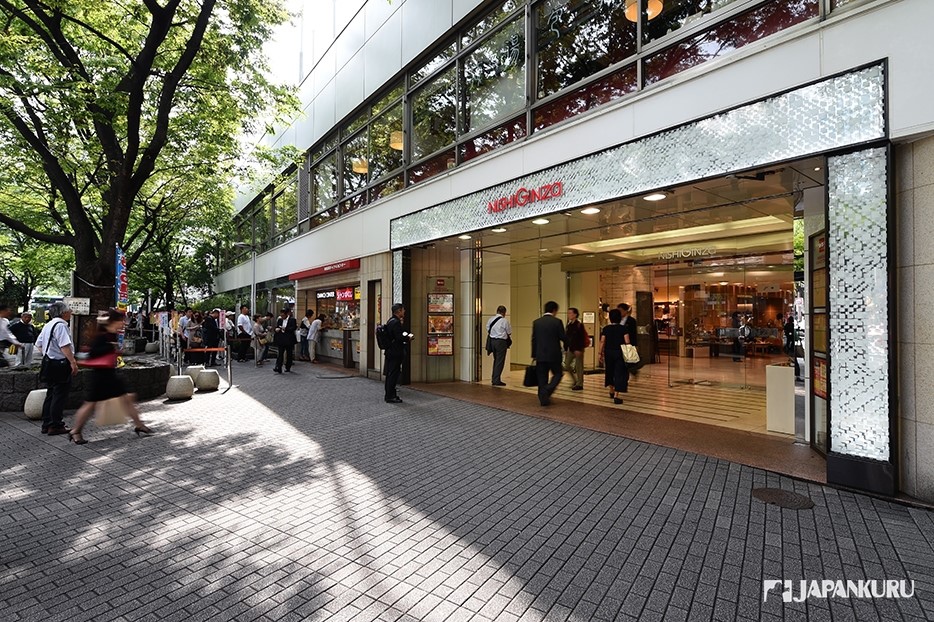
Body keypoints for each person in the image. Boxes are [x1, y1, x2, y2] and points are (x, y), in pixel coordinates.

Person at [67, 310, 154, 445]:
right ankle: (75, 431)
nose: (123, 323)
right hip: (100, 376)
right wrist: (110, 348)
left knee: (127, 398)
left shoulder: (110, 335)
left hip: (110, 374)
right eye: (121, 321)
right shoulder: (102, 336)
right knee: (90, 404)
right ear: (113, 322)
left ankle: (139, 424)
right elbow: (94, 354)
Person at [34, 301, 78, 435]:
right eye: (69, 310)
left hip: (49, 364)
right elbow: (64, 346)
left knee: (50, 394)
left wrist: (49, 354)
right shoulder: (61, 326)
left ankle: (46, 424)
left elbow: (38, 344)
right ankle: (56, 425)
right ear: (63, 312)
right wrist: (72, 362)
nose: (71, 312)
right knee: (59, 395)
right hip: (60, 364)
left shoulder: (49, 325)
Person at [531, 301, 566, 407]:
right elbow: (563, 337)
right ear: (554, 310)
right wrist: (568, 347)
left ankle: (543, 399)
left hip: (540, 355)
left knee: (542, 377)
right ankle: (548, 389)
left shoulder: (537, 322)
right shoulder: (557, 322)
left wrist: (534, 355)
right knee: (558, 374)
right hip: (554, 355)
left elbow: (534, 340)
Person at [599, 307, 634, 405]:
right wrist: (630, 353)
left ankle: (611, 390)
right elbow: (627, 342)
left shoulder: (606, 329)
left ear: (610, 318)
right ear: (619, 318)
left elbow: (602, 341)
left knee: (609, 371)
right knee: (619, 373)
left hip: (608, 352)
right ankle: (616, 395)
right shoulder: (623, 329)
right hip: (620, 352)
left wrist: (599, 353)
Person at [384, 303, 413, 403]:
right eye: (403, 310)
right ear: (399, 311)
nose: (404, 312)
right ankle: (390, 396)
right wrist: (408, 338)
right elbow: (399, 337)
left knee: (391, 373)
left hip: (390, 351)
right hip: (395, 352)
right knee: (393, 374)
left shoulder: (390, 321)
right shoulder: (395, 323)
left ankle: (390, 394)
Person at [487, 305, 512, 386]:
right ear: (504, 312)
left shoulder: (491, 319)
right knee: (500, 361)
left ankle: (494, 378)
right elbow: (509, 332)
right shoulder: (504, 321)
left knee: (496, 360)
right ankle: (496, 380)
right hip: (501, 342)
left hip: (492, 341)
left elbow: (487, 329)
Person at [564, 307, 588, 391]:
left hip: (578, 349)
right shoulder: (569, 325)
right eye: (568, 313)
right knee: (567, 365)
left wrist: (579, 349)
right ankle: (575, 380)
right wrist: (565, 349)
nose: (569, 315)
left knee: (579, 367)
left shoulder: (579, 325)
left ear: (575, 314)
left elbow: (581, 338)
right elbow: (566, 338)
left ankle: (580, 384)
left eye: (570, 313)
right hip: (571, 349)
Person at [273, 308, 296, 373]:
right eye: (281, 315)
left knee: (289, 354)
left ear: (287, 314)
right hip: (281, 339)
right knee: (280, 353)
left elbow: (293, 328)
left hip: (289, 339)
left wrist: (285, 329)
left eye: (283, 315)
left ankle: (288, 367)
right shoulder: (280, 320)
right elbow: (277, 326)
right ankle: (278, 367)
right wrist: (276, 329)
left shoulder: (292, 320)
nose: (282, 317)